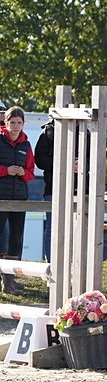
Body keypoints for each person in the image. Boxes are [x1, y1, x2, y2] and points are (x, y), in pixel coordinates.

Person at [0, 107, 36, 292]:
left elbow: (31, 173)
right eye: (12, 122)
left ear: (23, 124)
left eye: (19, 123)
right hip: (1, 198)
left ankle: (10, 282)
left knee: (16, 238)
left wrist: (23, 173)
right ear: (5, 123)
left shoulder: (26, 145)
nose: (15, 126)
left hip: (20, 197)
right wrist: (6, 170)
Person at [34, 119, 54, 262]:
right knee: (52, 229)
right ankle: (51, 265)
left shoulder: (85, 131)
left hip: (79, 188)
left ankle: (76, 264)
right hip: (52, 188)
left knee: (77, 230)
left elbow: (93, 158)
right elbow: (39, 160)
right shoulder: (47, 132)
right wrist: (64, 164)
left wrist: (81, 164)